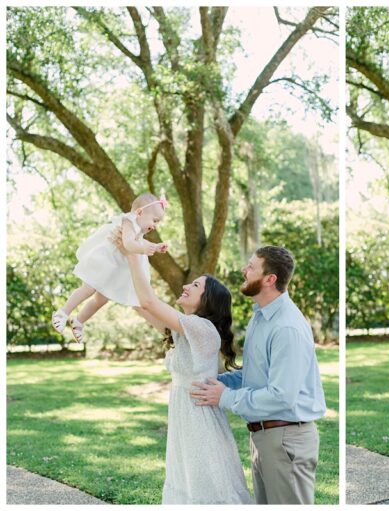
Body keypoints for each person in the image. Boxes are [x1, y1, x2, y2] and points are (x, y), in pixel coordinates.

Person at [190, 246, 327, 505]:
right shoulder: (261, 317)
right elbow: (255, 376)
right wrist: (215, 383)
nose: (244, 269)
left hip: (285, 440)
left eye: (251, 266)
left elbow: (281, 396)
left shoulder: (286, 327)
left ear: (269, 279)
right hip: (264, 437)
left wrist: (226, 397)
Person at [123, 248, 251, 504]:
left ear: (207, 300)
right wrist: (126, 257)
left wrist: (133, 253)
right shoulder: (186, 329)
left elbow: (149, 302)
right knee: (188, 486)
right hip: (185, 418)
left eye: (195, 285)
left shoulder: (203, 329)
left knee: (207, 488)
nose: (185, 286)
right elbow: (139, 304)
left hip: (199, 422)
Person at [52, 192, 169, 342]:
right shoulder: (128, 221)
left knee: (101, 299)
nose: (154, 226)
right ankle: (62, 313)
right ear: (139, 212)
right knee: (87, 289)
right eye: (154, 220)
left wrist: (155, 246)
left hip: (112, 270)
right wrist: (144, 250)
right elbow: (128, 243)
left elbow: (140, 242)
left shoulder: (137, 230)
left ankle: (79, 321)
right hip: (103, 262)